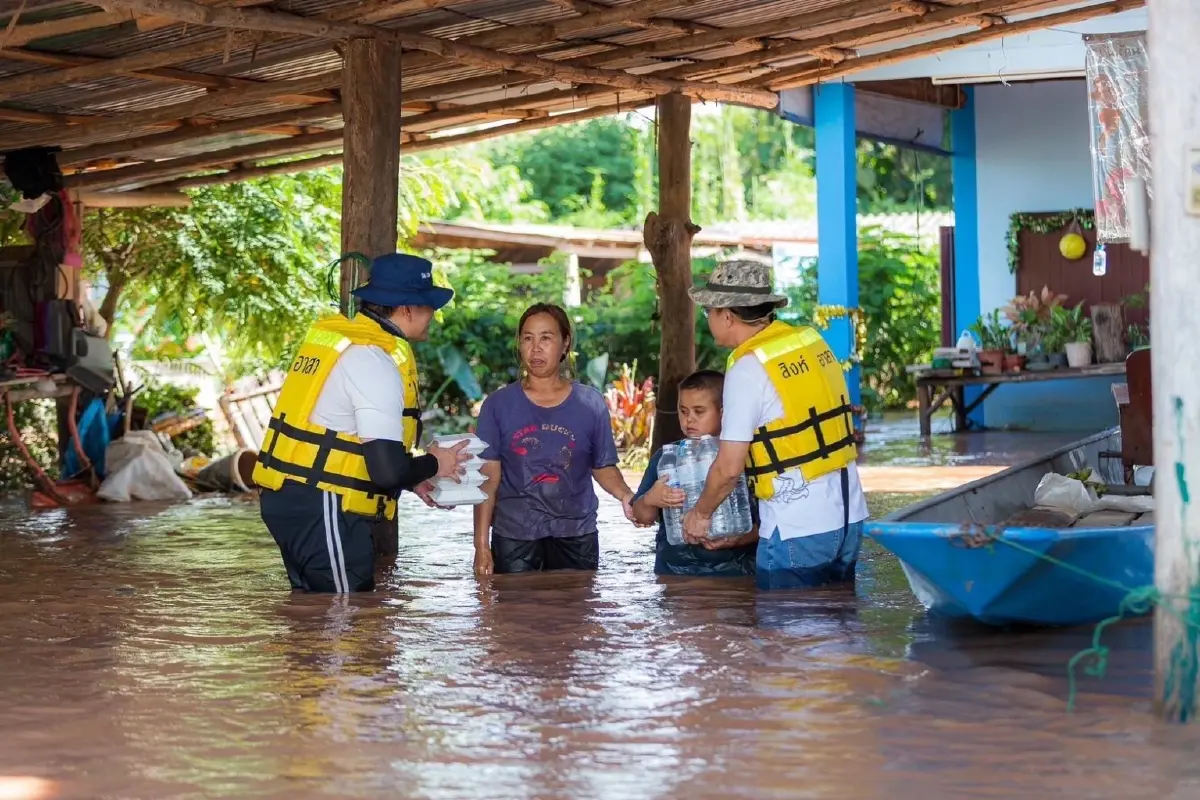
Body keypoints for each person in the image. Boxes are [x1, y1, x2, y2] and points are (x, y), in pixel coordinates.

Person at [253, 253, 471, 593]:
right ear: (407, 308)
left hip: (298, 497)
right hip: (322, 502)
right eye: (429, 306)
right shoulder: (373, 361)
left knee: (317, 614)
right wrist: (436, 464)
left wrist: (414, 482)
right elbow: (386, 472)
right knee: (347, 616)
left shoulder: (351, 346)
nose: (433, 315)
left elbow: (361, 446)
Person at [681, 259, 868, 590]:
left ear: (726, 315)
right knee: (838, 628)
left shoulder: (748, 368)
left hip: (796, 528)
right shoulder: (811, 344)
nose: (707, 319)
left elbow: (728, 469)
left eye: (707, 311)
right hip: (849, 517)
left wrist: (701, 514)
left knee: (782, 635)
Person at [473, 303, 637, 576]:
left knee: (574, 615)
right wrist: (481, 547)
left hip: (576, 533)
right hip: (514, 536)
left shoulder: (590, 403)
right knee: (513, 617)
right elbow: (488, 480)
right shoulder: (497, 405)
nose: (535, 348)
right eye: (527, 338)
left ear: (565, 344)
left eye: (546, 338)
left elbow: (603, 467)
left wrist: (627, 496)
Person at [631, 369, 757, 577]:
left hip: (736, 571)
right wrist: (651, 499)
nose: (689, 419)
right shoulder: (667, 457)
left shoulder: (744, 457)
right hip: (675, 571)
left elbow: (767, 523)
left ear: (724, 413)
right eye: (683, 411)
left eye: (699, 411)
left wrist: (740, 538)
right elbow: (641, 517)